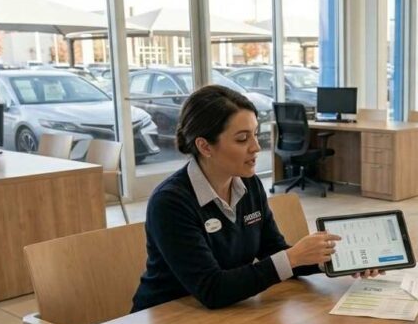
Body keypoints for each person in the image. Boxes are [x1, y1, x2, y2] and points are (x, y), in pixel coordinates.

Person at [132, 85, 372, 312]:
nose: (256, 147)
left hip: (222, 314)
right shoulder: (171, 202)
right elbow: (212, 289)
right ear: (205, 146)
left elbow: (273, 251)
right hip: (167, 318)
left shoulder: (249, 183)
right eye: (242, 139)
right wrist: (293, 257)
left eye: (256, 134)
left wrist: (331, 261)